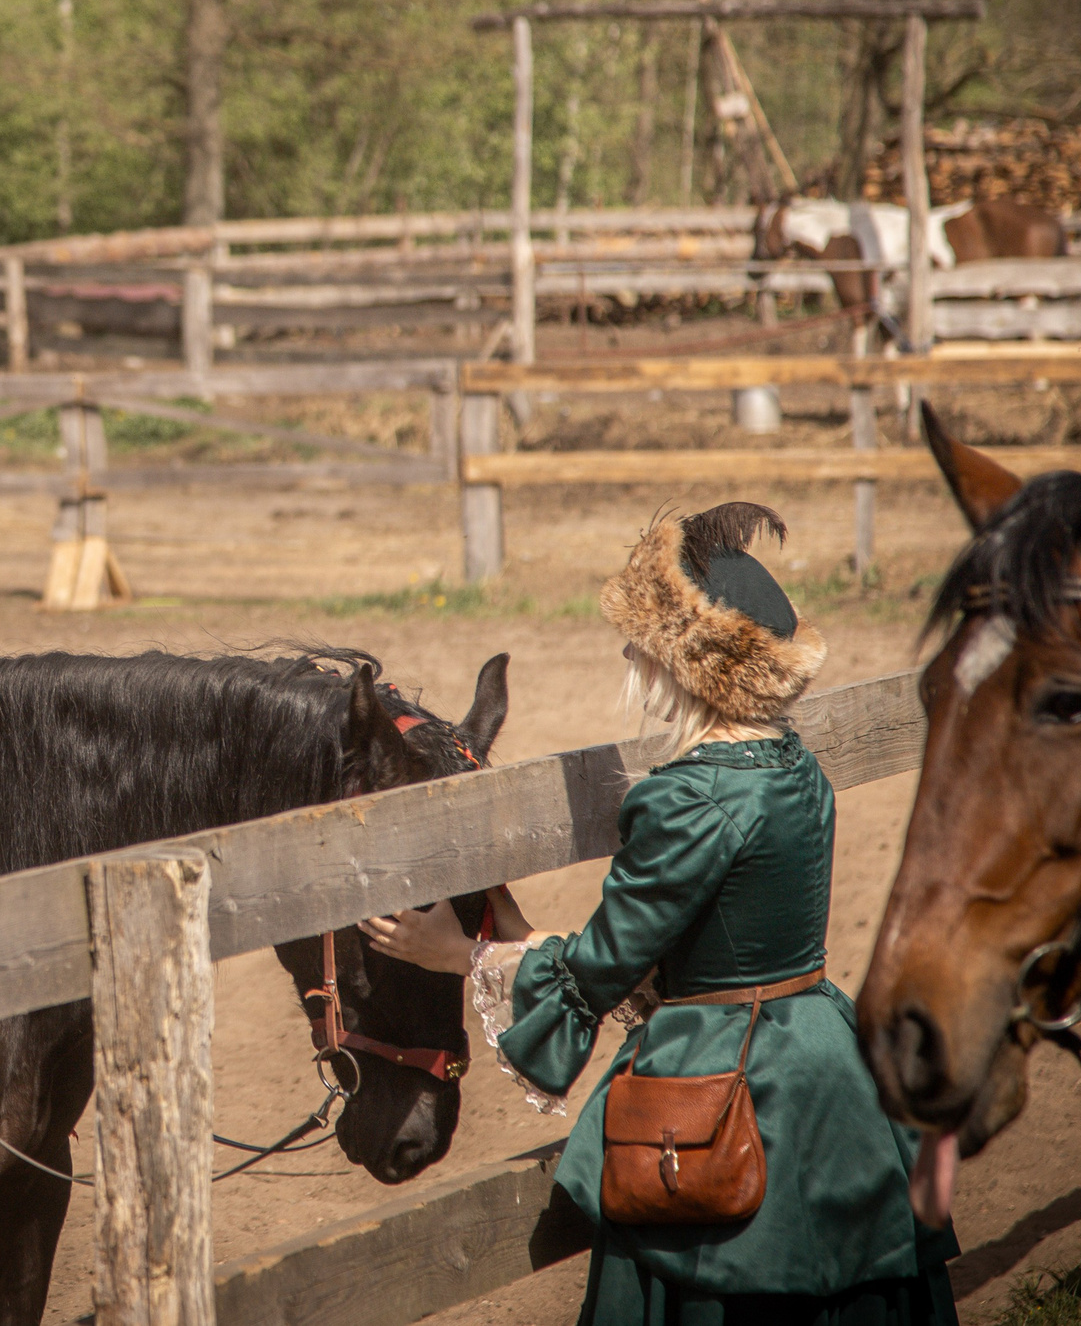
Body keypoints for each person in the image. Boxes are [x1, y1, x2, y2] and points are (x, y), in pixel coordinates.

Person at [365, 502, 958, 1324]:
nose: (626, 655)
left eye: (640, 642)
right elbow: (687, 942)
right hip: (827, 1057)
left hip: (734, 1085)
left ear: (689, 663)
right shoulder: (795, 766)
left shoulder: (686, 797)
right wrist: (521, 925)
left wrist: (458, 952)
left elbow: (600, 971)